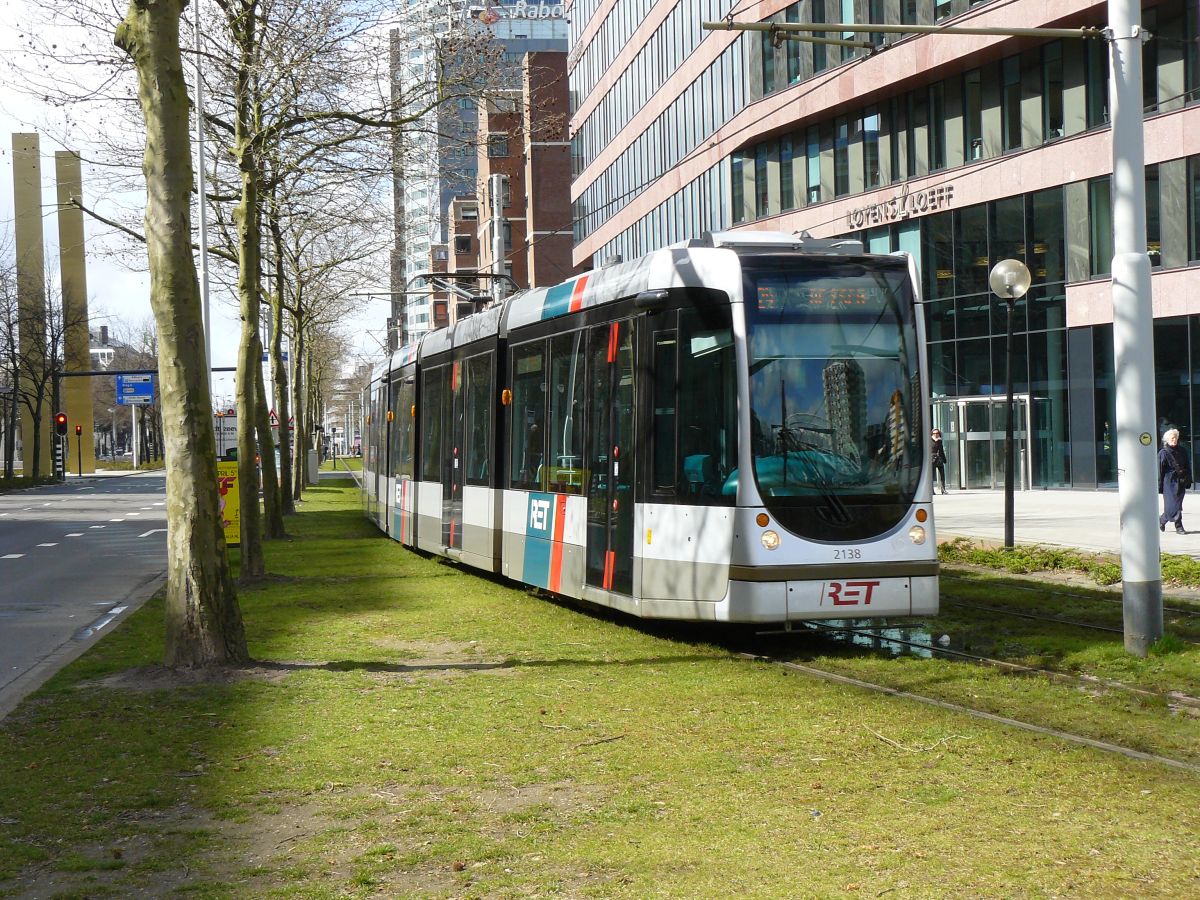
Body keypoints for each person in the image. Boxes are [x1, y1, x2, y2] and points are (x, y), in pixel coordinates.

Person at [1159, 427, 1192, 534]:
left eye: (1175, 438)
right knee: (1172, 505)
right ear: (1167, 439)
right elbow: (1159, 471)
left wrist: (1188, 480)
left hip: (1181, 481)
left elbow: (1187, 465)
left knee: (1177, 504)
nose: (1174, 440)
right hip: (1169, 482)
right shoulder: (1163, 453)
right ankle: (1179, 526)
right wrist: (1159, 486)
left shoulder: (1182, 451)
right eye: (1172, 438)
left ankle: (1162, 520)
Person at [930, 428, 948, 495]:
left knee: (942, 475)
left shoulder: (940, 441)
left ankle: (943, 490)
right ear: (932, 434)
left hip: (939, 459)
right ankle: (931, 490)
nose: (936, 435)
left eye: (937, 433)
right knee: (932, 476)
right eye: (934, 433)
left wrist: (944, 459)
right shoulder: (930, 440)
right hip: (932, 459)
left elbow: (941, 451)